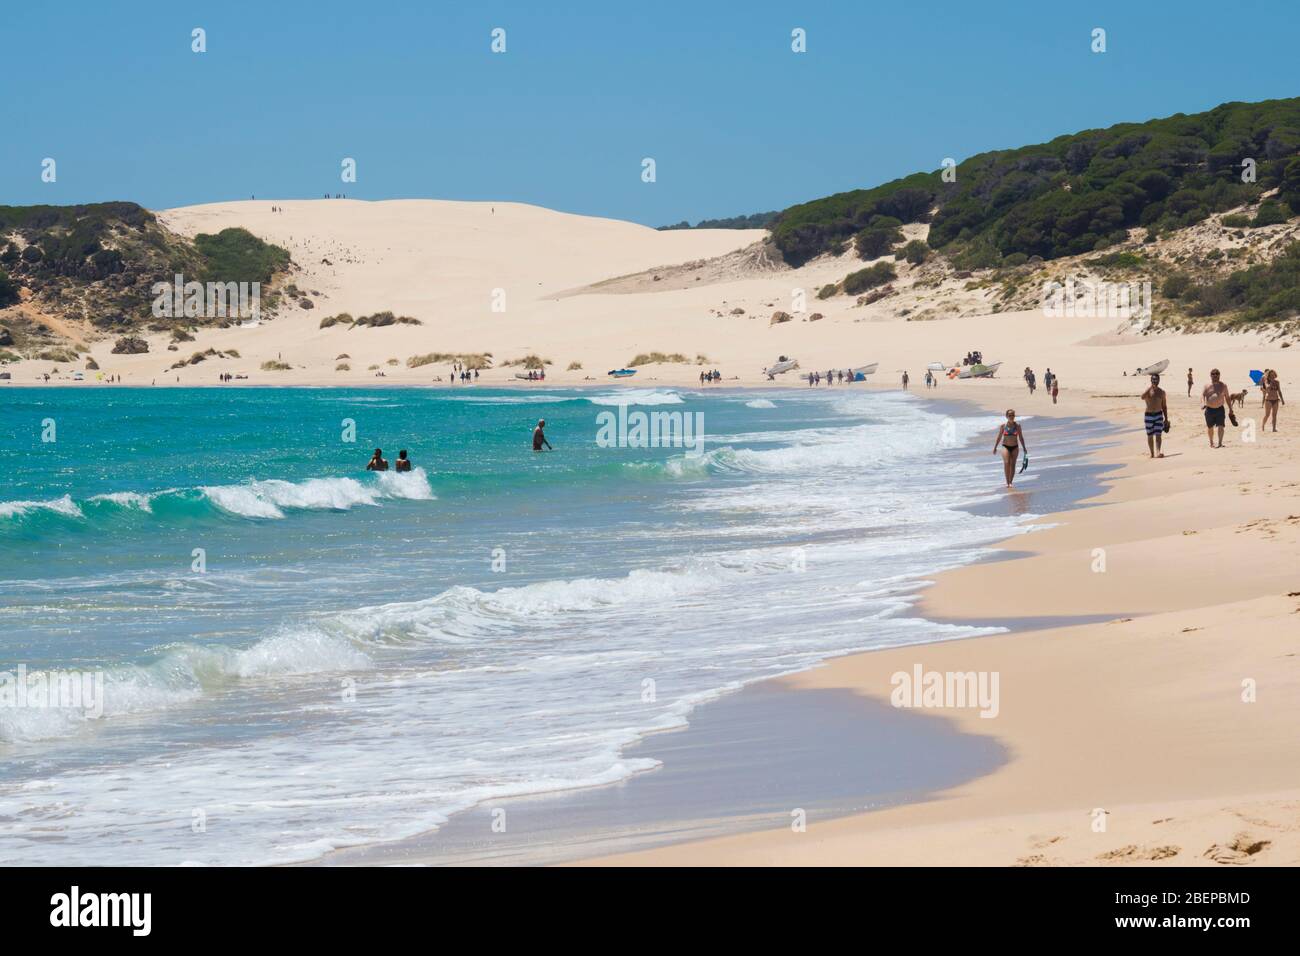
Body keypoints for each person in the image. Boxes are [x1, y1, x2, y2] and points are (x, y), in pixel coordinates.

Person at [992, 409, 1027, 488]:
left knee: (1013, 464)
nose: (1011, 417)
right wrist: (995, 447)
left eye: (1013, 415)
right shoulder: (1003, 426)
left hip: (1015, 447)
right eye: (1010, 415)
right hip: (1005, 446)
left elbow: (1021, 437)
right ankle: (1007, 482)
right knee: (1007, 463)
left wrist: (1024, 448)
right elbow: (999, 437)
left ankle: (1011, 482)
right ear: (1006, 416)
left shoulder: (1017, 426)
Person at [1201, 368, 1231, 448]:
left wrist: (1231, 409)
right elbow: (1202, 395)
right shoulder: (1207, 385)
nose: (1215, 375)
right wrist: (1203, 403)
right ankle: (1211, 443)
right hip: (1209, 409)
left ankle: (1220, 443)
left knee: (1221, 426)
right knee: (1210, 427)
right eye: (1213, 374)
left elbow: (1227, 398)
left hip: (1220, 409)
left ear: (1219, 375)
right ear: (1210, 376)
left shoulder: (1223, 385)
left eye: (1217, 374)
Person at [1142, 373, 1168, 459]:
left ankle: (1158, 452)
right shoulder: (1148, 390)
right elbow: (1142, 397)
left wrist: (1166, 419)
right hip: (1148, 415)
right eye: (1153, 379)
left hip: (1158, 415)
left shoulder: (1161, 392)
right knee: (1149, 435)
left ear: (1159, 380)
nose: (1155, 381)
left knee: (1158, 434)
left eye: (1156, 379)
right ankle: (1152, 453)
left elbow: (1164, 406)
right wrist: (1150, 388)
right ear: (1151, 380)